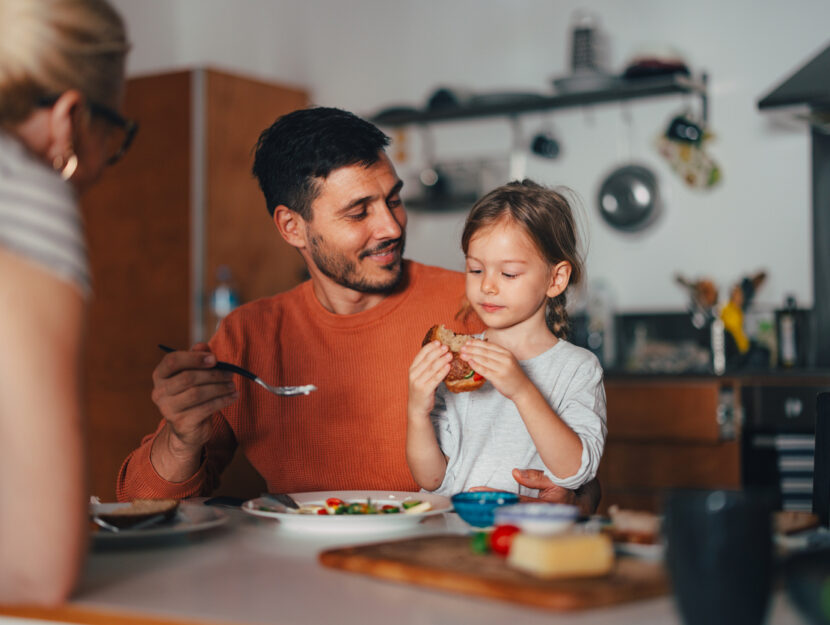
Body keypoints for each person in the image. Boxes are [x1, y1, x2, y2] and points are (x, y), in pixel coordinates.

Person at [117, 107, 600, 512]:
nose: (390, 225)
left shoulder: (481, 307)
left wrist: (572, 497)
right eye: (358, 211)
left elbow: (580, 469)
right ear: (292, 227)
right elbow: (139, 504)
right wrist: (182, 438)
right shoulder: (249, 336)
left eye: (393, 200)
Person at [0, 0, 132, 603]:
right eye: (116, 134)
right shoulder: (27, 189)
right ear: (69, 117)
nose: (106, 162)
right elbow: (36, 569)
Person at [407, 180, 606, 497]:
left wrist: (522, 390)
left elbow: (574, 473)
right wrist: (417, 411)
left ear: (555, 279)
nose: (487, 286)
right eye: (475, 270)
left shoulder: (577, 368)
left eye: (508, 273)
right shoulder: (459, 364)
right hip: (451, 535)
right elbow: (431, 479)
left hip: (528, 540)